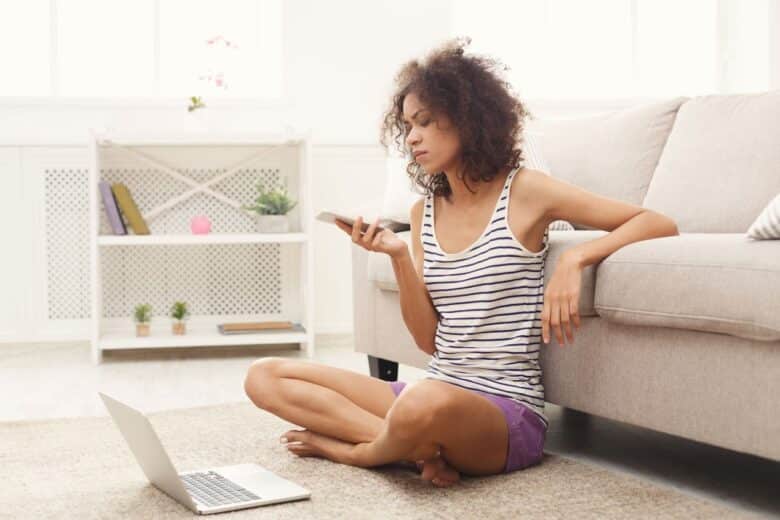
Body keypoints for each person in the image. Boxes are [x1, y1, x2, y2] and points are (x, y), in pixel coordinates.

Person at [244, 36, 679, 487]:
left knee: (421, 403)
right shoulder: (423, 213)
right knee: (265, 376)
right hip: (434, 392)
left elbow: (656, 222)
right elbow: (429, 342)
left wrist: (577, 259)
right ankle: (415, 449)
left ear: (468, 119)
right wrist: (398, 256)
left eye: (424, 121)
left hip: (505, 413)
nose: (412, 137)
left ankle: (363, 451)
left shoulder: (527, 190)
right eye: (407, 125)